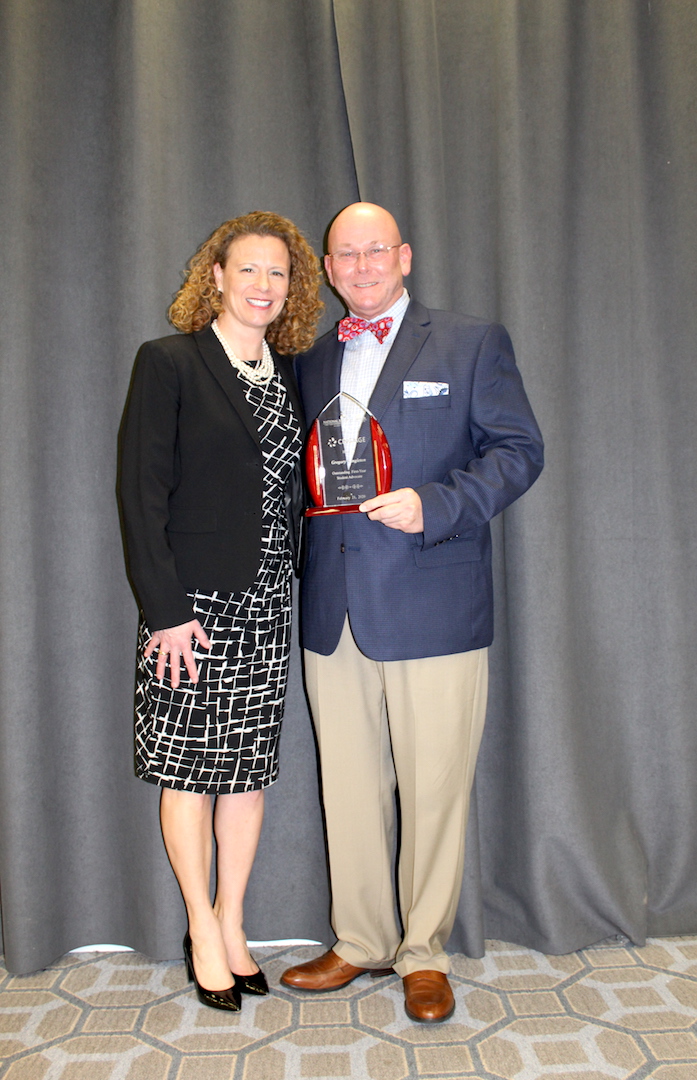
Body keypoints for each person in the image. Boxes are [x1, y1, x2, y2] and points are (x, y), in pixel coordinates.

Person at [281, 203, 543, 1023]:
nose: (359, 266)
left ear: (404, 257)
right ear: (326, 271)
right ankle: (359, 939)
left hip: (434, 599)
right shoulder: (312, 359)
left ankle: (422, 951)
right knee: (349, 787)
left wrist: (436, 503)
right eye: (343, 255)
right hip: (334, 610)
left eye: (374, 251)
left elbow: (518, 450)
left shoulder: (471, 341)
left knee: (434, 786)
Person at [119, 212, 322, 1011]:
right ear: (216, 276)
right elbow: (140, 495)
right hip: (192, 608)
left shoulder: (290, 372)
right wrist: (164, 610)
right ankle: (200, 925)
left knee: (244, 772)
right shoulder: (169, 363)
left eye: (278, 273)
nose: (264, 286)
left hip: (269, 601)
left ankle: (236, 921)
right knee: (188, 771)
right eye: (250, 270)